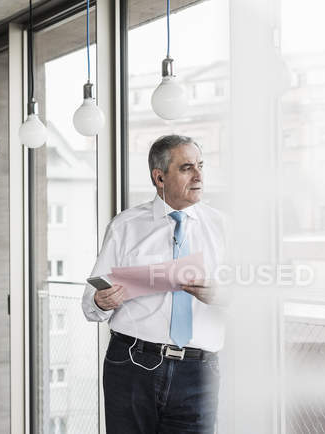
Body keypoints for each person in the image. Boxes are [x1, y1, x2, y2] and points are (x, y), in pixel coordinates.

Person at [82, 134, 227, 434]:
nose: (199, 175)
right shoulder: (125, 226)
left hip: (198, 372)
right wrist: (101, 301)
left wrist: (222, 294)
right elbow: (90, 302)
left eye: (201, 165)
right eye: (187, 167)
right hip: (132, 365)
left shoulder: (223, 227)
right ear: (159, 178)